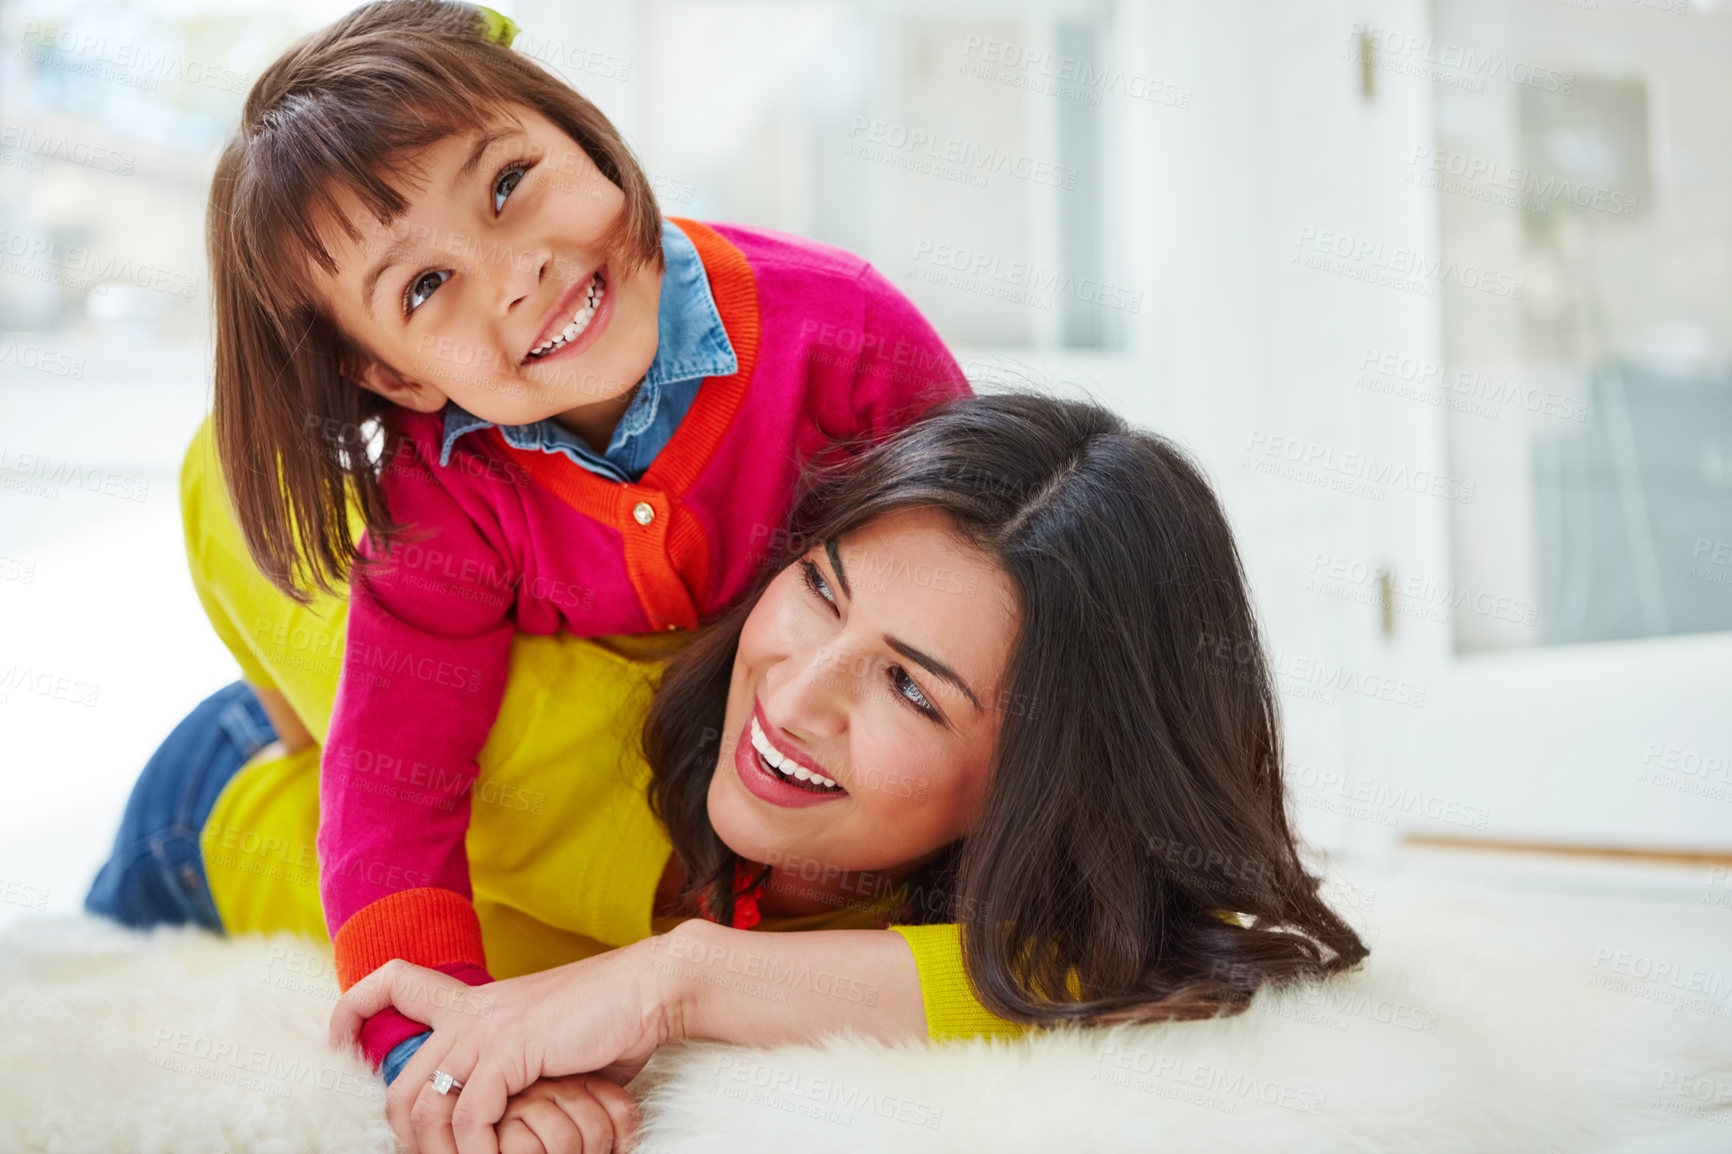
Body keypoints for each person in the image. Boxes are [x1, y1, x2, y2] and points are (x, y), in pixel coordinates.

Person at [90, 390, 1369, 1154]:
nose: (795, 694)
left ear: (1047, 771)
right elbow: (233, 469)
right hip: (210, 819)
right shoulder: (546, 717)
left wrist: (673, 981)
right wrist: (308, 703)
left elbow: (1137, 951)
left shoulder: (983, 907)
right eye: (817, 590)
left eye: (911, 685)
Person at [196, 0, 969, 1095]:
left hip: (698, 824)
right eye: (424, 287)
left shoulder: (847, 342)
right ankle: (240, 749)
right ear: (398, 377)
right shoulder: (447, 486)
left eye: (507, 185)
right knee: (254, 742)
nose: (517, 273)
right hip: (239, 781)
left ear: (585, 132)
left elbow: (996, 610)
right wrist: (443, 1053)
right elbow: (391, 786)